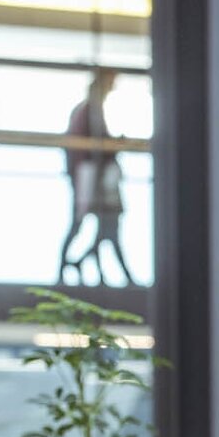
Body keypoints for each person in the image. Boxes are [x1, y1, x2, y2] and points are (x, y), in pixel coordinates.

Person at [58, 69, 135, 287]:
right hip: (90, 177)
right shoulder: (88, 110)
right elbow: (93, 146)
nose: (113, 86)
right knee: (89, 225)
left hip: (92, 177)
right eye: (111, 81)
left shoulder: (90, 109)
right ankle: (66, 269)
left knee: (102, 228)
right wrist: (114, 146)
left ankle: (76, 266)